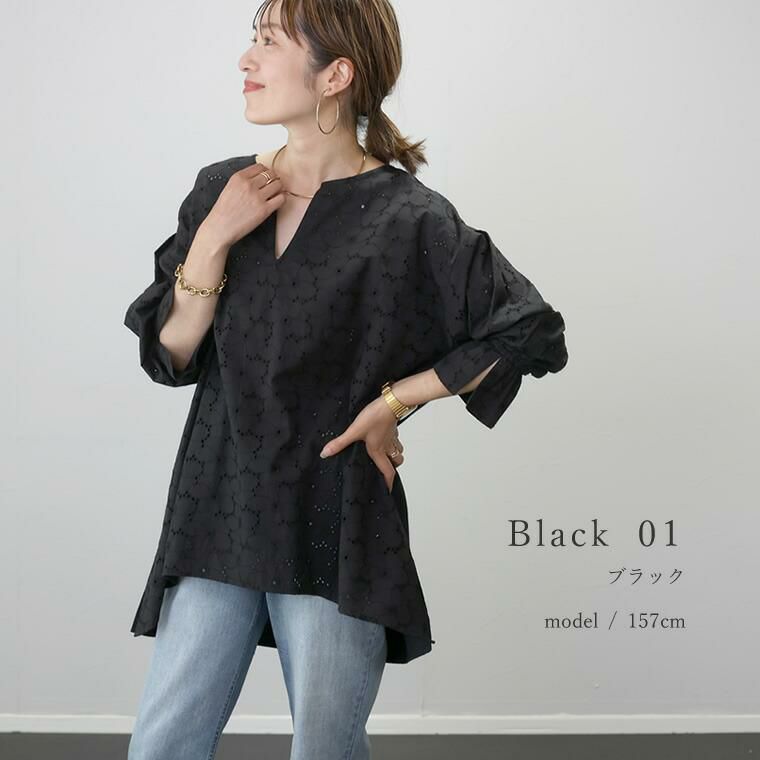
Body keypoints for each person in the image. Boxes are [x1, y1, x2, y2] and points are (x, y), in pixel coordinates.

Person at [125, 1, 569, 758]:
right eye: (251, 40)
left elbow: (531, 328)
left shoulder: (409, 219)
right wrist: (213, 239)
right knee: (163, 744)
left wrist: (395, 400)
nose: (246, 60)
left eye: (269, 43)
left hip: (336, 513)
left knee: (325, 748)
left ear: (335, 75)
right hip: (218, 503)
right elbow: (171, 355)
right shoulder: (222, 189)